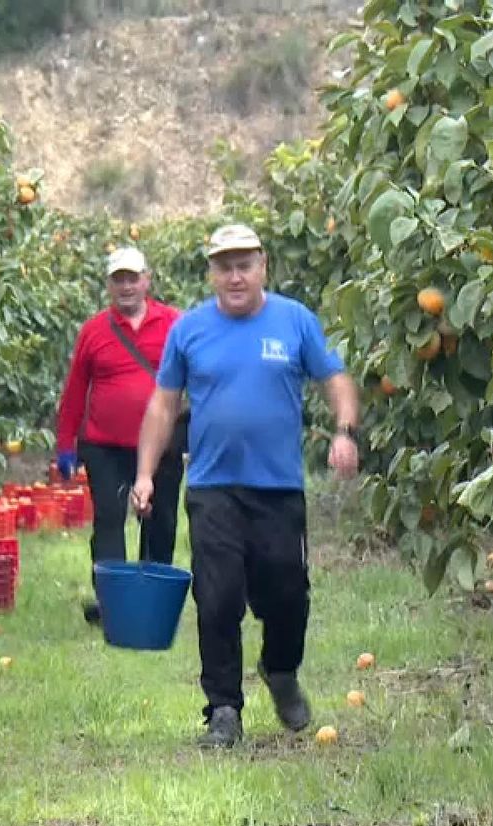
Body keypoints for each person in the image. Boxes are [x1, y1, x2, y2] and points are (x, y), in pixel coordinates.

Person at [130, 223, 360, 749]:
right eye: (224, 266)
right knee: (217, 598)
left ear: (263, 267)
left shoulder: (293, 321)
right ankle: (224, 709)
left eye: (244, 265)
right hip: (213, 489)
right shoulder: (189, 330)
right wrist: (145, 474)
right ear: (211, 273)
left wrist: (345, 431)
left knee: (287, 594)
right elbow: (164, 405)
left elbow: (335, 380)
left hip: (279, 489)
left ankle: (280, 670)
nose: (235, 276)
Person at [55, 246, 186, 625]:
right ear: (109, 285)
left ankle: (154, 598)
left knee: (160, 520)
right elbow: (76, 389)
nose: (126, 286)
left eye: (133, 278)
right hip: (105, 446)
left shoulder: (173, 324)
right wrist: (67, 446)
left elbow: (198, 377)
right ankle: (112, 604)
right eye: (118, 279)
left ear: (147, 279)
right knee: (109, 520)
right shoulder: (94, 330)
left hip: (162, 443)